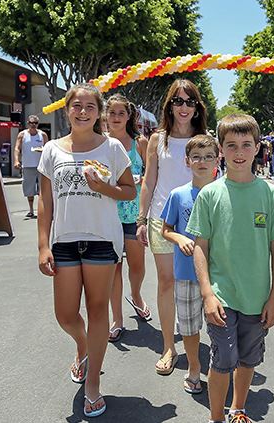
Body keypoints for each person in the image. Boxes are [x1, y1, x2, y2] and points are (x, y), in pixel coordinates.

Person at [36, 83, 135, 417]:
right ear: (67, 110)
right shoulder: (52, 150)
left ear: (99, 113)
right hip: (63, 242)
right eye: (76, 106)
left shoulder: (111, 148)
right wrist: (42, 246)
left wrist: (102, 186)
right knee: (64, 314)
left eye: (89, 107)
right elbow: (45, 204)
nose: (82, 112)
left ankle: (93, 383)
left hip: (102, 240)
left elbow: (128, 192)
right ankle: (83, 346)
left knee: (97, 311)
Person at [187, 114, 274, 423]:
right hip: (222, 296)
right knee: (223, 358)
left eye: (246, 145)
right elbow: (200, 247)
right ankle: (216, 416)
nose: (239, 152)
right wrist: (207, 293)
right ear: (220, 149)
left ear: (258, 148)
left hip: (257, 299)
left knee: (248, 358)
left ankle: (238, 409)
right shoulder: (210, 194)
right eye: (231, 145)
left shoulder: (270, 195)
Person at [136, 79, 207, 375]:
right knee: (166, 282)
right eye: (178, 101)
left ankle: (203, 341)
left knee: (198, 284)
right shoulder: (157, 139)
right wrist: (141, 219)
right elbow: (149, 180)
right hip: (162, 220)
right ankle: (169, 346)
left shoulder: (205, 137)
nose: (184, 107)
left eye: (190, 102)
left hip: (199, 218)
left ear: (197, 107)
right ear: (169, 105)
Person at [160, 134, 219, 395]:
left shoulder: (225, 193)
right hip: (185, 273)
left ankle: (219, 370)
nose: (202, 162)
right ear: (187, 161)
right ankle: (194, 367)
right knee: (188, 326)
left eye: (208, 157)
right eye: (196, 157)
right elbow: (166, 229)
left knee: (220, 326)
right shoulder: (178, 195)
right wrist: (179, 237)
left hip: (219, 275)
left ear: (218, 160)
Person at [105, 94, 150, 342]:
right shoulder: (100, 143)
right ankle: (117, 319)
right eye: (112, 113)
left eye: (121, 113)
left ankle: (136, 295)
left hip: (134, 214)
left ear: (129, 116)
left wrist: (140, 181)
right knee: (114, 268)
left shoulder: (140, 143)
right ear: (105, 116)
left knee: (138, 265)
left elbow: (149, 176)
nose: (117, 118)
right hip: (107, 214)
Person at [13, 114, 49, 217]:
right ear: (28, 123)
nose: (33, 125)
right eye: (31, 123)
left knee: (42, 189)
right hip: (27, 165)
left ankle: (43, 210)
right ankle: (31, 210)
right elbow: (17, 148)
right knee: (29, 189)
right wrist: (16, 160)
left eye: (35, 123)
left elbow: (48, 149)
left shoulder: (42, 135)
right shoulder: (22, 135)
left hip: (41, 166)